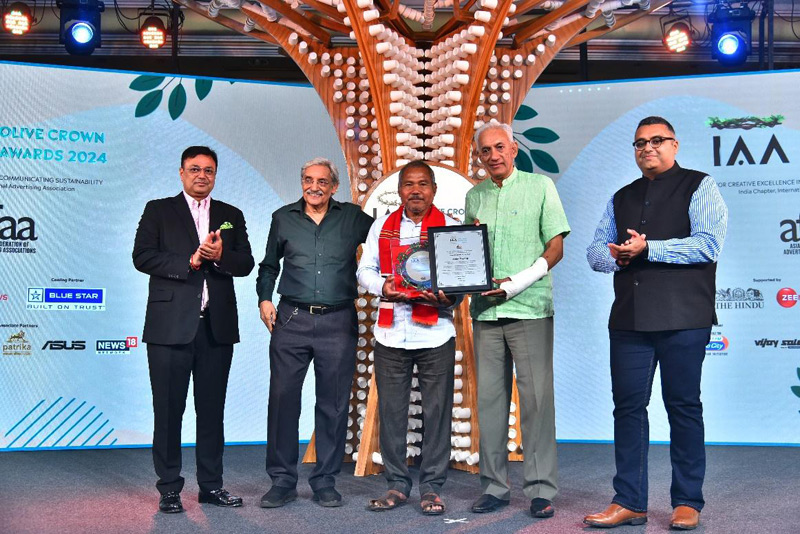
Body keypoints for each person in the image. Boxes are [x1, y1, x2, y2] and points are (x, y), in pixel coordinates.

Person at [584, 116, 728, 530]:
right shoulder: (621, 196)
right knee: (627, 409)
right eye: (640, 143)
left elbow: (708, 244)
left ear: (675, 145)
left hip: (685, 316)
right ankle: (629, 500)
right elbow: (594, 252)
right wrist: (614, 253)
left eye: (657, 140)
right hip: (629, 319)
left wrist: (649, 250)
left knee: (682, 407)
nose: (647, 148)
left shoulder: (700, 185)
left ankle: (687, 501)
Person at [133, 145, 254, 514]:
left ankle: (211, 487)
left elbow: (246, 262)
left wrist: (220, 258)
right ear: (182, 173)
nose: (202, 175)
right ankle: (169, 488)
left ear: (215, 175)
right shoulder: (159, 210)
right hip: (170, 328)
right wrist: (190, 260)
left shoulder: (230, 214)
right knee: (168, 411)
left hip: (215, 328)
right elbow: (142, 256)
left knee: (212, 411)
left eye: (209, 170)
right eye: (195, 169)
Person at [466, 121, 570, 519]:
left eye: (499, 148)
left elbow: (555, 247)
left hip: (529, 307)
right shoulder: (474, 196)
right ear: (479, 157)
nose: (493, 156)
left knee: (536, 402)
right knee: (490, 403)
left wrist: (515, 284)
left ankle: (541, 489)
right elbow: (468, 254)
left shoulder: (541, 187)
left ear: (513, 149)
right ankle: (494, 486)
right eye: (485, 151)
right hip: (485, 311)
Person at [256, 157, 373, 508]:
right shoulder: (283, 218)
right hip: (291, 319)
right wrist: (264, 298)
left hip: (338, 321)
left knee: (334, 404)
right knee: (282, 400)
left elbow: (389, 240)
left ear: (334, 186)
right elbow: (268, 265)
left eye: (323, 181)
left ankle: (324, 480)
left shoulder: (353, 218)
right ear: (302, 182)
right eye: (308, 179)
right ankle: (282, 480)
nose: (314, 186)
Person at [357, 160, 460, 515]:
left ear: (434, 188)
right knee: (392, 413)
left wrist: (448, 295)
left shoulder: (449, 227)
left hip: (436, 333)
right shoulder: (382, 227)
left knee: (437, 413)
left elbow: (458, 278)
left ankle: (431, 487)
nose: (415, 190)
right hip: (390, 334)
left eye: (423, 184)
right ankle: (397, 485)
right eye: (408, 184)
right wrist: (381, 286)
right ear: (399, 190)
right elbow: (364, 269)